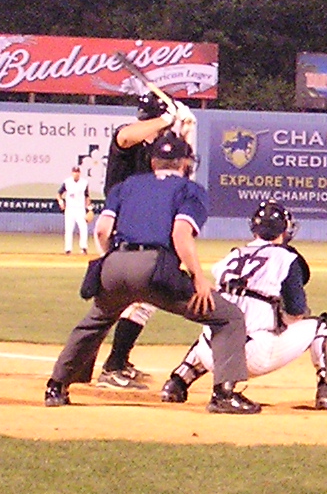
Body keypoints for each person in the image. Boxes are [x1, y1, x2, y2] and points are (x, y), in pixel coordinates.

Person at [45, 130, 261, 414]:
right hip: (154, 268)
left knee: (96, 321)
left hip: (114, 264)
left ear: (152, 162)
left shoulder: (127, 186)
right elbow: (180, 233)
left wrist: (113, 261)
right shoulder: (190, 190)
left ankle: (56, 386)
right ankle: (223, 395)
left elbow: (101, 230)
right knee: (228, 316)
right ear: (186, 163)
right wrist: (198, 277)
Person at [158, 200, 327, 411]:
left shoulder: (232, 256)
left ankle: (177, 381)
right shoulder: (285, 258)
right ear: (285, 230)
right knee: (325, 325)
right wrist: (280, 320)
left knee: (216, 328)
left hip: (210, 355)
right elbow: (296, 312)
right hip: (253, 355)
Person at [94, 89, 196, 389]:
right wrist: (167, 117)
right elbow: (124, 137)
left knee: (129, 300)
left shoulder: (161, 149)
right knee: (137, 298)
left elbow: (182, 175)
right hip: (121, 227)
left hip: (145, 229)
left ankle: (114, 362)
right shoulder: (131, 140)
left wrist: (187, 132)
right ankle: (112, 367)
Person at [58, 165, 92, 255]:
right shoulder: (67, 182)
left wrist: (89, 208)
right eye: (74, 172)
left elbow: (87, 196)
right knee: (69, 229)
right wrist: (61, 202)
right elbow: (59, 194)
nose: (76, 174)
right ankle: (68, 249)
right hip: (70, 209)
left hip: (80, 209)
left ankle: (83, 247)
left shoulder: (84, 182)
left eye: (77, 172)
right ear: (72, 173)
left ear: (79, 173)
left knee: (83, 228)